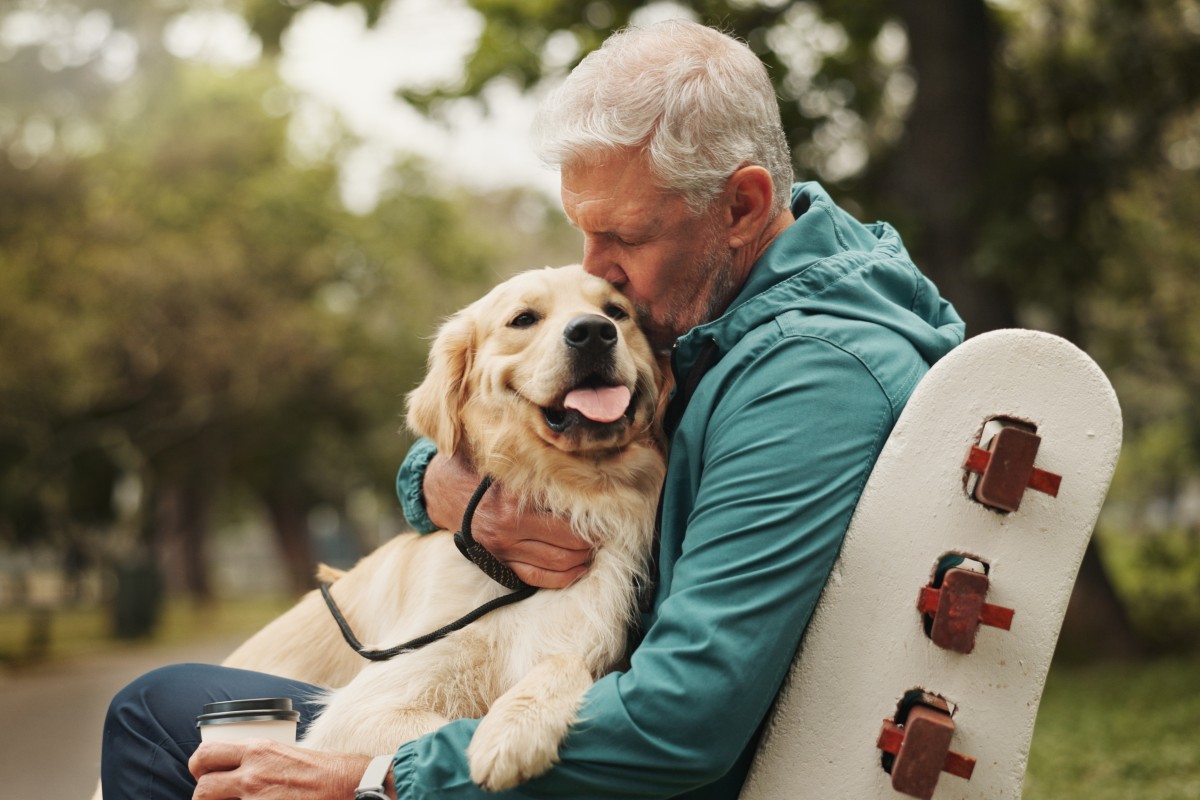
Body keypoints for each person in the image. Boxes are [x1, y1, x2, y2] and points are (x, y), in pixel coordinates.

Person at [101, 19, 964, 800]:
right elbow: (495, 421)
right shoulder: (726, 318)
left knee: (153, 719)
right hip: (574, 731)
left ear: (740, 206)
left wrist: (376, 776)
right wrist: (446, 489)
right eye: (583, 233)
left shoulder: (804, 380)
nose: (598, 271)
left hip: (619, 768)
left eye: (624, 237)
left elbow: (684, 717)